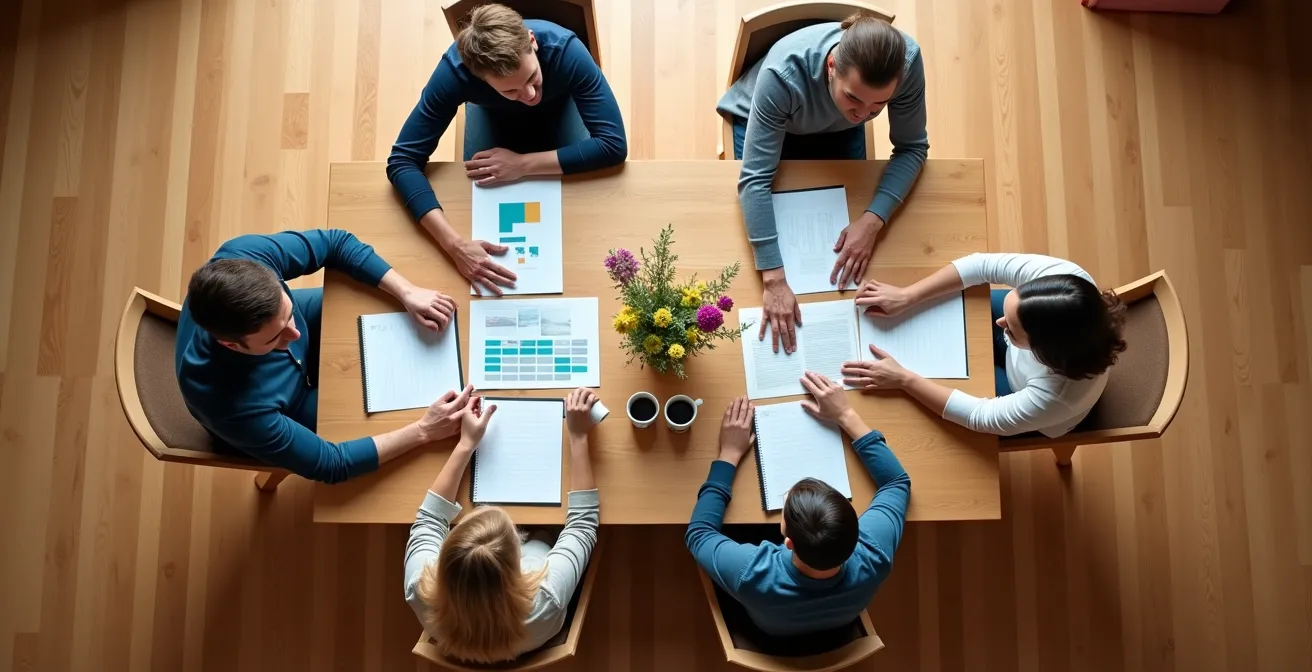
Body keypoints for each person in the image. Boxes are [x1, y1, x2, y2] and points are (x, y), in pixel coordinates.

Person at [176, 229, 470, 484]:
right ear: (232, 345)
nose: (295, 335)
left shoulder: (242, 257)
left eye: (287, 315)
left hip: (298, 339)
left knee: (373, 312)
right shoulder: (229, 407)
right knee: (387, 418)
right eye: (275, 337)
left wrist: (407, 291)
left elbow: (335, 243)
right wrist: (423, 431)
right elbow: (331, 464)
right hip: (289, 406)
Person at [716, 14, 928, 355]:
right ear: (832, 66)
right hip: (774, 117)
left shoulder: (907, 62)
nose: (865, 114)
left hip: (836, 130)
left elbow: (913, 148)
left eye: (880, 105)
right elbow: (755, 181)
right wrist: (774, 280)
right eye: (855, 98)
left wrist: (873, 220)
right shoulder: (782, 74)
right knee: (745, 262)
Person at [388, 3, 627, 296]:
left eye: (531, 77)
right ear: (480, 79)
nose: (528, 95)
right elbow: (402, 161)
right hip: (495, 121)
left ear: (532, 41)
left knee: (580, 229)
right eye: (510, 90)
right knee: (483, 217)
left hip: (560, 111)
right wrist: (455, 245)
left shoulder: (566, 50)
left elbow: (613, 145)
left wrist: (522, 165)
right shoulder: (454, 73)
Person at [685, 374, 911, 635]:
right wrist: (846, 414)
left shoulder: (752, 573)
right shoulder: (875, 553)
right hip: (837, 625)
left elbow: (699, 535)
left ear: (787, 540)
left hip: (767, 631)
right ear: (856, 524)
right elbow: (896, 482)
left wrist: (728, 455)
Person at [405, 388, 601, 663]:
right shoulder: (547, 596)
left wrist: (465, 444)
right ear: (517, 560)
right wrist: (579, 437)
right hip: (534, 629)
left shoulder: (420, 586)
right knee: (544, 538)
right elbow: (582, 525)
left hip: (477, 637)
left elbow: (430, 518)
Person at [841, 253, 1127, 437]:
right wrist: (908, 295)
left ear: (1044, 352)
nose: (1000, 323)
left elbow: (980, 416)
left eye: (1012, 329)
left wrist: (903, 379)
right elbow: (982, 265)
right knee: (947, 312)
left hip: (1020, 388)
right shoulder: (1063, 278)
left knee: (940, 385)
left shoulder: (1055, 397)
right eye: (1010, 305)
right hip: (1034, 355)